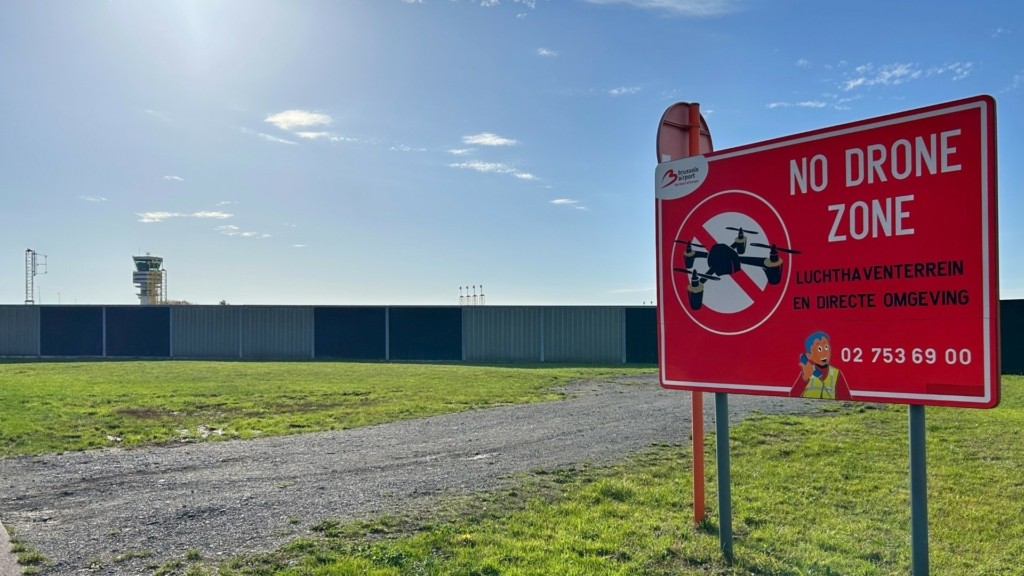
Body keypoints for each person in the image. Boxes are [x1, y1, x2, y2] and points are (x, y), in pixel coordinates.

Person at [791, 331, 851, 400]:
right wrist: (805, 379)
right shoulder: (807, 371)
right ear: (809, 356)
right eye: (819, 349)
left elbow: (847, 399)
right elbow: (792, 395)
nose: (824, 352)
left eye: (826, 347)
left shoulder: (837, 374)